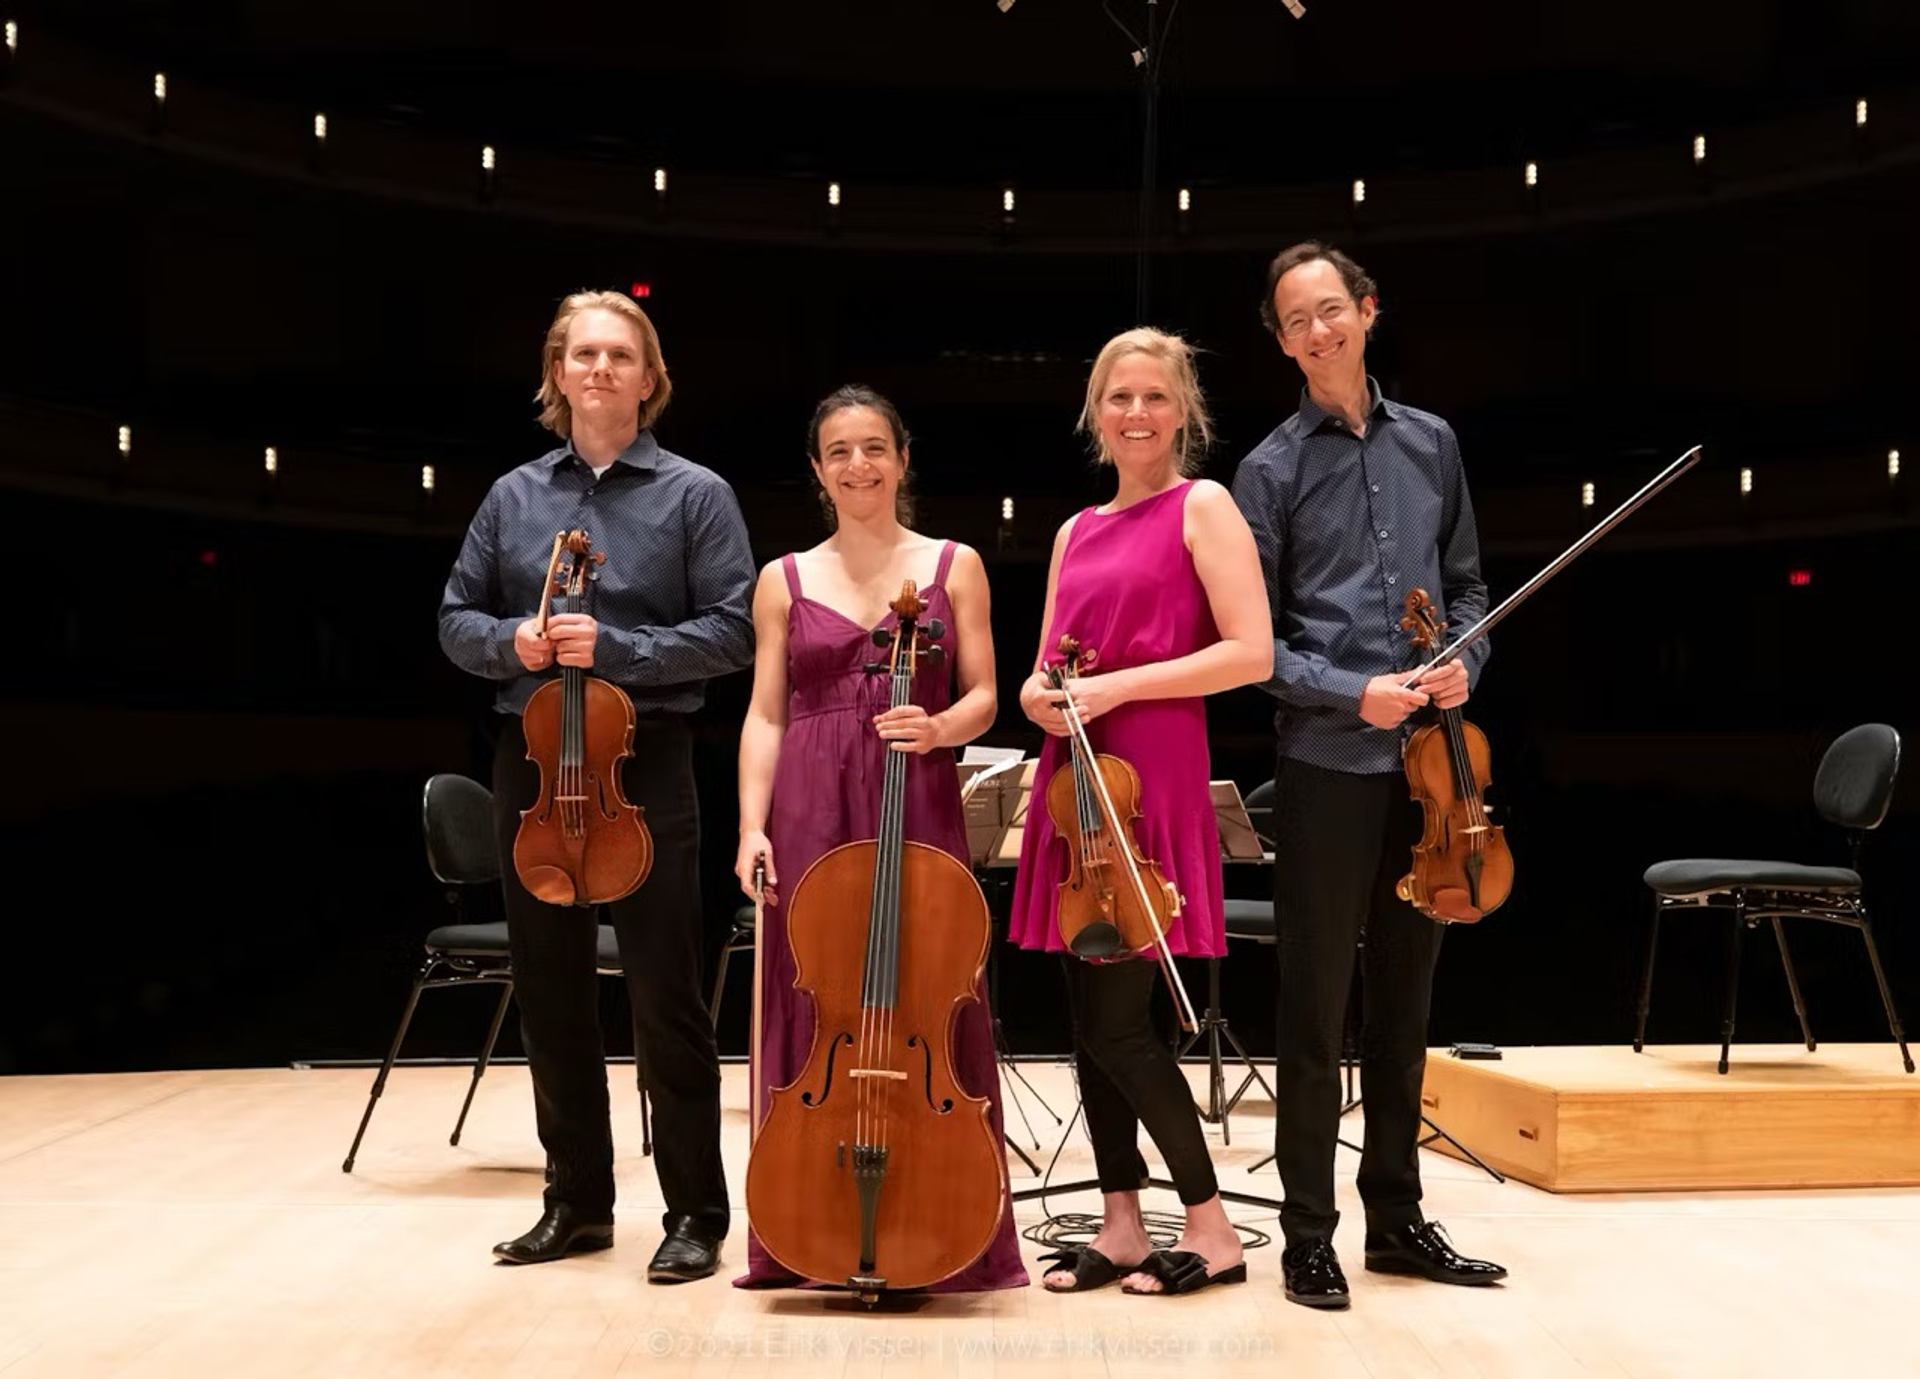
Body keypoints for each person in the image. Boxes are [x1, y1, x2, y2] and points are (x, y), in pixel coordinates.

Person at [438, 289, 754, 1283]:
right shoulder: (513, 496)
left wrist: (616, 647)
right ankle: (575, 1202)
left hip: (645, 759)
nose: (601, 369)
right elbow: (456, 617)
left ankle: (696, 1208)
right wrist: (513, 640)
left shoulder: (696, 493)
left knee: (668, 994)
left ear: (648, 376)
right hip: (532, 761)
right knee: (551, 994)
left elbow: (735, 628)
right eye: (583, 354)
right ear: (558, 373)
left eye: (620, 354)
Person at [1230, 242, 1509, 1310]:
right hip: (1326, 763)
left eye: (1332, 309)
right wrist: (1358, 691)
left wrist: (1464, 660)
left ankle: (1395, 1215)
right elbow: (1256, 642)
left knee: (1407, 996)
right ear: (1281, 337)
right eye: (1297, 319)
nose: (1319, 331)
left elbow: (1471, 584)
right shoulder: (1268, 469)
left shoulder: (1432, 442)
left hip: (1430, 770)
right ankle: (1310, 1234)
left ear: (1368, 311)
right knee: (1315, 1006)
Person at [732, 385, 1027, 1292]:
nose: (858, 465)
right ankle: (801, 1225)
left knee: (931, 993)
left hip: (916, 792)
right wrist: (751, 825)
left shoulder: (954, 564)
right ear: (819, 472)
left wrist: (943, 728)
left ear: (901, 458)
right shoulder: (781, 577)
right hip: (810, 801)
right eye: (838, 452)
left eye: (873, 448)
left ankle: (947, 1224)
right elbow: (766, 713)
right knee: (810, 996)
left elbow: (983, 689)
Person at [1007, 328, 1272, 1297]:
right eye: (1118, 396)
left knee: (1124, 1025)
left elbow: (1252, 652)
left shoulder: (1201, 505)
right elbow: (1048, 661)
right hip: (1077, 786)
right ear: (1095, 410)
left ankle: (1210, 1227)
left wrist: (1117, 687)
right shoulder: (1076, 529)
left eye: (1154, 397)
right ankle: (1121, 1221)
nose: (1135, 413)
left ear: (1183, 410)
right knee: (1089, 1019)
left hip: (1147, 779)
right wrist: (1042, 694)